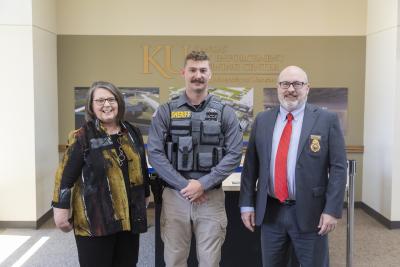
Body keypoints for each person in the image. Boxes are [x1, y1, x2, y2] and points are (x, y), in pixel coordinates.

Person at [240, 66, 347, 267]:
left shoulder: (326, 120)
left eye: (297, 84)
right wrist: (246, 204)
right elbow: (250, 167)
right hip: (271, 212)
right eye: (285, 84)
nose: (291, 89)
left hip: (311, 214)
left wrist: (332, 210)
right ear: (278, 87)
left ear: (307, 88)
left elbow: (339, 168)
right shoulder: (263, 120)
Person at [148, 51, 243, 267]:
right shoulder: (166, 111)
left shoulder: (225, 113)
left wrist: (203, 184)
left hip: (211, 198)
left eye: (202, 70)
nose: (197, 75)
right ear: (184, 72)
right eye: (192, 70)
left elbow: (234, 154)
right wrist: (187, 186)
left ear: (210, 74)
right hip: (175, 197)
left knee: (210, 262)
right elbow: (155, 154)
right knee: (174, 260)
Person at [52, 81, 150, 267]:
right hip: (95, 220)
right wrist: (60, 211)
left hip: (129, 218)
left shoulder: (132, 132)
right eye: (100, 100)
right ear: (91, 106)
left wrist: (145, 194)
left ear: (119, 102)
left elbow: (141, 167)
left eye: (111, 99)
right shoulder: (82, 136)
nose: (107, 105)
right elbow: (64, 176)